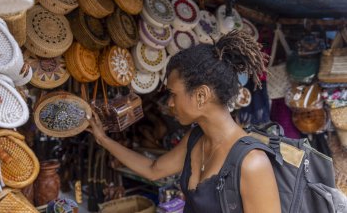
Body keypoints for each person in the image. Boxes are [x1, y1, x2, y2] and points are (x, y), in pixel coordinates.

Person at [87, 30, 281, 212]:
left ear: (201, 95)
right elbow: (153, 170)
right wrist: (103, 139)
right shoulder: (195, 138)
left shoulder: (252, 163)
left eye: (173, 94)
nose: (169, 103)